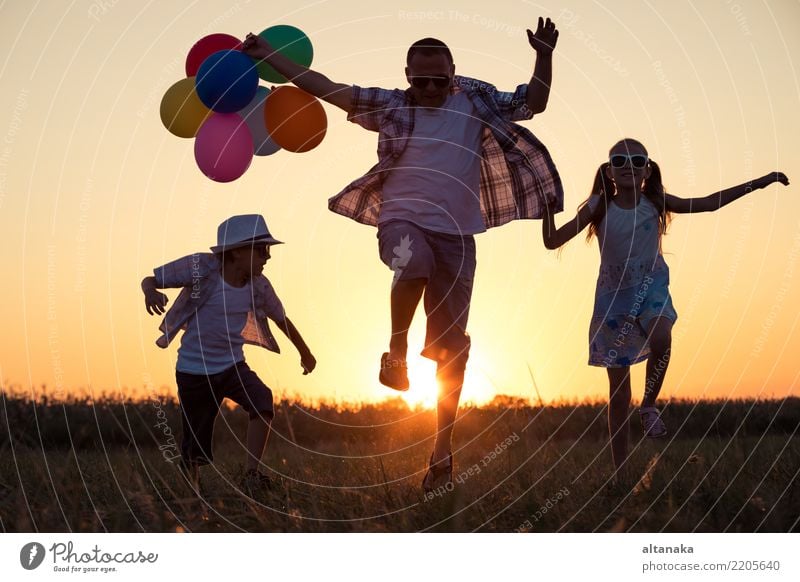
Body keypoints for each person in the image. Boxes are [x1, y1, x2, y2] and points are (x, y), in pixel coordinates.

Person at [243, 18, 564, 493]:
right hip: (401, 220)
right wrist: (268, 56)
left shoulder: (475, 100)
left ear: (453, 72)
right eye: (420, 80)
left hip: (458, 235)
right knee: (411, 264)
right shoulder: (391, 104)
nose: (430, 88)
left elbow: (531, 103)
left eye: (439, 79)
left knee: (452, 352)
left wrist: (543, 56)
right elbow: (325, 87)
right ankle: (396, 354)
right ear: (407, 74)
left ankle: (441, 454)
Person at [541, 138, 789, 470]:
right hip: (614, 301)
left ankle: (649, 405)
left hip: (651, 287)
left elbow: (708, 203)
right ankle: (621, 472)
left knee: (661, 337)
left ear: (647, 169)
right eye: (619, 160)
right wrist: (545, 209)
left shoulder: (654, 202)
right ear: (609, 171)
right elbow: (552, 240)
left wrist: (757, 183)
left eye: (636, 159)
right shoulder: (599, 207)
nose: (628, 165)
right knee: (617, 393)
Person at [141, 214, 317, 497]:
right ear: (236, 252)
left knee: (262, 400)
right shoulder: (201, 269)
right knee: (194, 446)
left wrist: (305, 352)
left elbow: (281, 318)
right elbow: (150, 279)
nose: (267, 256)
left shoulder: (259, 286)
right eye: (262, 249)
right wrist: (151, 293)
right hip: (193, 371)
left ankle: (252, 475)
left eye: (268, 250)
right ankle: (192, 498)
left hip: (232, 366)